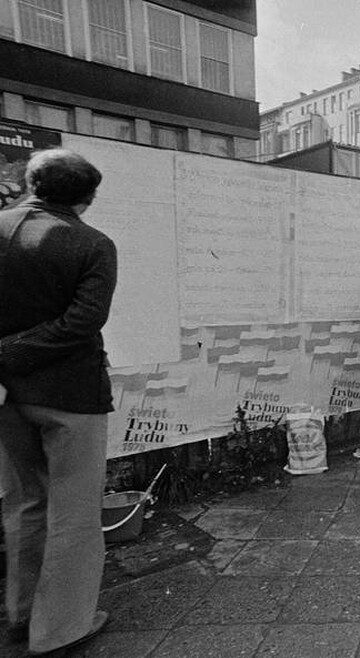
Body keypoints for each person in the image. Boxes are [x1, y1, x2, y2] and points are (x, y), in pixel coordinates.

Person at [0, 149, 117, 655]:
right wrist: (12, 350)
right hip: (72, 395)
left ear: (31, 183)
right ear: (87, 198)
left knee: (24, 502)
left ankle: (21, 615)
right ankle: (60, 630)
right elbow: (83, 322)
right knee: (74, 513)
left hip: (7, 395)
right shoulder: (92, 244)